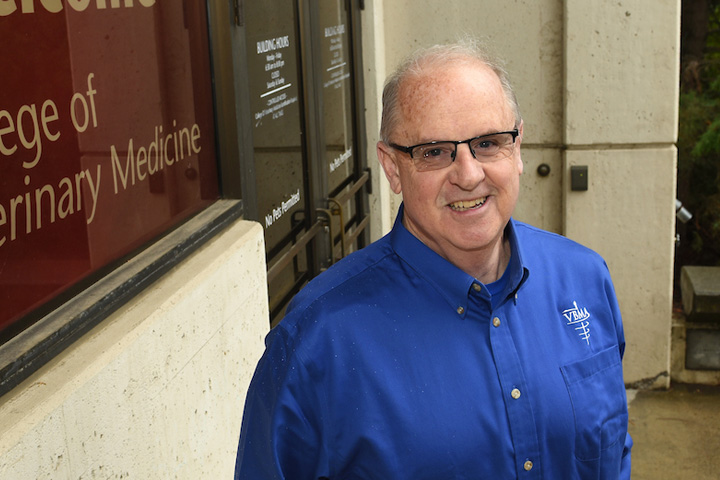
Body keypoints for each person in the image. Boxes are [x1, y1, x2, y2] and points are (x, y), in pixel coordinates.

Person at [235, 39, 632, 479]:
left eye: (488, 143)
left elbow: (613, 454)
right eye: (435, 152)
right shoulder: (317, 340)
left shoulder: (585, 279)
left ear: (517, 148)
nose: (468, 175)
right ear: (391, 167)